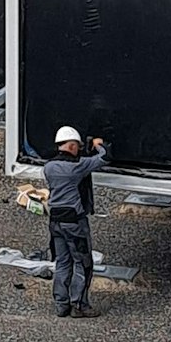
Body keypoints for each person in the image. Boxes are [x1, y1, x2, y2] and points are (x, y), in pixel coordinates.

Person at [41, 126, 110, 318]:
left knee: (62, 262)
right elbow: (106, 157)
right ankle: (79, 304)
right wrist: (98, 145)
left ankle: (61, 305)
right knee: (83, 262)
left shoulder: (48, 167)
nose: (79, 150)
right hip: (75, 223)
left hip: (55, 221)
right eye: (77, 146)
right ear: (71, 145)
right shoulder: (77, 166)